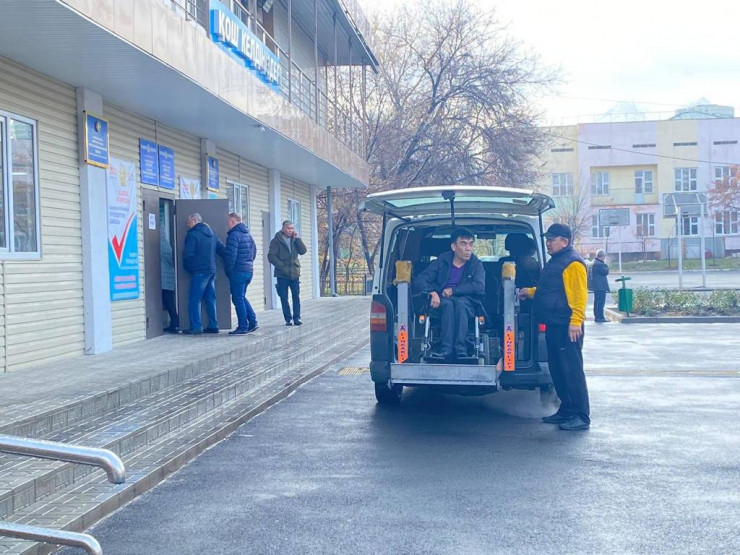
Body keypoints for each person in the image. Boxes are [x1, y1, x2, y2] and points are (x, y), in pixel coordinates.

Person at [518, 223, 590, 431]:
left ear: (564, 241)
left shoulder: (573, 263)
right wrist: (530, 292)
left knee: (571, 371)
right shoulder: (556, 261)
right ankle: (566, 410)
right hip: (554, 324)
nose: (547, 243)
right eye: (547, 240)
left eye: (551, 240)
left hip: (567, 327)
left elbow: (579, 296)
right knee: (558, 370)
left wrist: (576, 321)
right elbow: (550, 289)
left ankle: (581, 415)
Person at [414, 227, 485, 361]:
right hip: (442, 301)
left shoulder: (475, 264)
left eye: (471, 244)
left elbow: (479, 285)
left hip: (467, 302)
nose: (468, 248)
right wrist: (432, 292)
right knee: (448, 305)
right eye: (463, 244)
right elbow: (421, 279)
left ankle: (461, 350)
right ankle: (445, 350)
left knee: (459, 304)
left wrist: (454, 291)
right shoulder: (442, 261)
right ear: (454, 246)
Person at [217, 213, 258, 335]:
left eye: (228, 222)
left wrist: (229, 271)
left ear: (233, 221)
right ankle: (252, 322)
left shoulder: (234, 235)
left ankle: (243, 326)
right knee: (241, 297)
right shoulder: (248, 234)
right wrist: (248, 263)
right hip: (248, 270)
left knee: (238, 299)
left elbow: (231, 256)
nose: (227, 225)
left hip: (238, 272)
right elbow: (254, 252)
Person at [182, 213, 219, 335]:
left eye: (188, 222)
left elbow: (188, 254)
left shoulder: (193, 234)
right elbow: (221, 248)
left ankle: (196, 326)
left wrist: (189, 268)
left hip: (199, 271)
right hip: (211, 270)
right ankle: (213, 325)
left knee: (194, 299)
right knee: (210, 298)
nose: (188, 225)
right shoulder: (212, 233)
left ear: (194, 220)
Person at [268, 220, 307, 326]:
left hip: (294, 273)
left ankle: (297, 318)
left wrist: (298, 239)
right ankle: (288, 318)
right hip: (282, 274)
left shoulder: (294, 240)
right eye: (288, 228)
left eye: (292, 228)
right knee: (284, 297)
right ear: (283, 229)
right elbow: (271, 256)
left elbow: (303, 251)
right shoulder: (276, 241)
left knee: (296, 296)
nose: (290, 230)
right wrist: (281, 266)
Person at [160, 233, 179, 333]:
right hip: (166, 276)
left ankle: (175, 323)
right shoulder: (165, 243)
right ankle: (174, 323)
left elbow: (170, 260)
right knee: (168, 301)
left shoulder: (162, 244)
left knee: (168, 301)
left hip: (165, 277)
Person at [591, 249, 610, 323]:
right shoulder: (600, 264)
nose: (604, 258)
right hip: (600, 286)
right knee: (601, 302)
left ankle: (597, 316)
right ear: (602, 256)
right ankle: (600, 317)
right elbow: (606, 271)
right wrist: (606, 265)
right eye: (604, 256)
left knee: (596, 301)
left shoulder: (594, 262)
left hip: (596, 285)